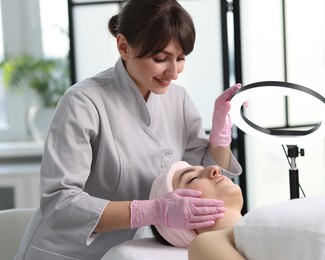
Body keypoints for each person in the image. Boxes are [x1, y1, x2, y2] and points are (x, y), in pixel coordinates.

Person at [15, 0, 242, 259]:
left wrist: (220, 134)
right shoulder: (83, 102)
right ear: (124, 46)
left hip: (125, 251)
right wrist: (151, 211)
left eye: (180, 59)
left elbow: (204, 173)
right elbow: (59, 203)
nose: (174, 72)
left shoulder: (177, 99)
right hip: (64, 251)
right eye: (161, 58)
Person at [150, 161, 325, 260]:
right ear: (180, 219)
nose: (214, 168)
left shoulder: (264, 221)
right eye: (191, 179)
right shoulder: (203, 245)